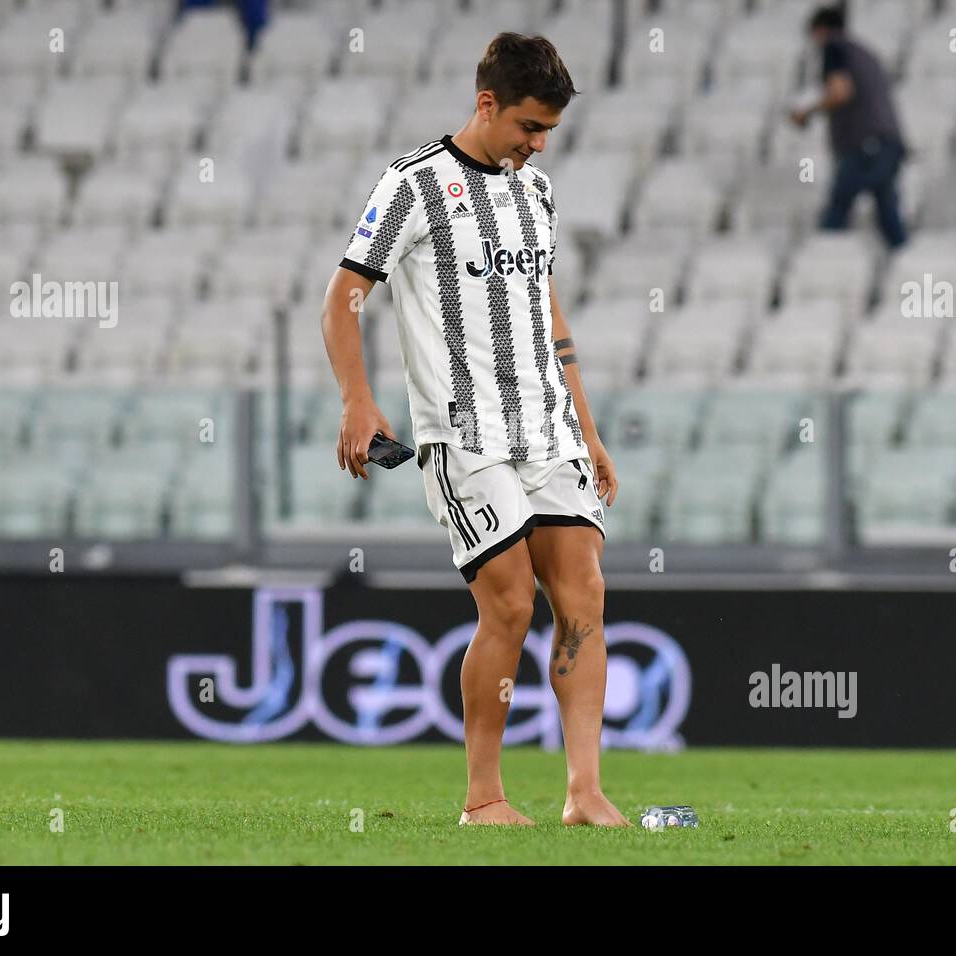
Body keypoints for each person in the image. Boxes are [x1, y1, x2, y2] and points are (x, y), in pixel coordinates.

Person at [321, 33, 631, 827]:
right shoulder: (413, 184)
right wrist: (357, 399)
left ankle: (584, 792)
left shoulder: (539, 193)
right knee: (510, 606)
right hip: (466, 437)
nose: (537, 145)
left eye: (549, 133)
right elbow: (344, 296)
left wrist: (588, 431)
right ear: (486, 103)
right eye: (529, 126)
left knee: (584, 596)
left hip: (549, 430)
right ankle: (483, 797)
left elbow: (547, 313)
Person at [789, 4, 909, 249]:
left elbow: (840, 92)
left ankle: (824, 264)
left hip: (863, 146)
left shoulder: (835, 48)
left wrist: (806, 112)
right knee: (887, 214)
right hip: (885, 143)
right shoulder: (863, 52)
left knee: (837, 211)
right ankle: (908, 267)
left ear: (821, 30)